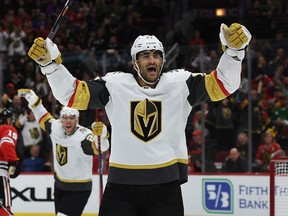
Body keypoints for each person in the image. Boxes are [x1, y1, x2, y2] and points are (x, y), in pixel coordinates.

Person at [27, 23, 251, 216]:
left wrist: (233, 52)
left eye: (156, 55)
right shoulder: (115, 85)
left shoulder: (181, 84)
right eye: (145, 56)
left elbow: (224, 84)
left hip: (166, 187)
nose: (151, 59)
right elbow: (71, 94)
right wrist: (50, 66)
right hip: (121, 188)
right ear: (135, 62)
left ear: (163, 60)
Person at [18, 89, 110, 216]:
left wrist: (102, 136)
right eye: (65, 118)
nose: (68, 121)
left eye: (72, 118)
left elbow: (97, 148)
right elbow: (42, 115)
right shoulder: (56, 128)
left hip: (79, 188)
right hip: (60, 185)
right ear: (61, 119)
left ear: (76, 120)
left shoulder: (84, 135)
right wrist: (32, 98)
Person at [0, 108, 21, 216]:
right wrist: (13, 162)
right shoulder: (8, 129)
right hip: (0, 174)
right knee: (4, 208)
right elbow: (6, 143)